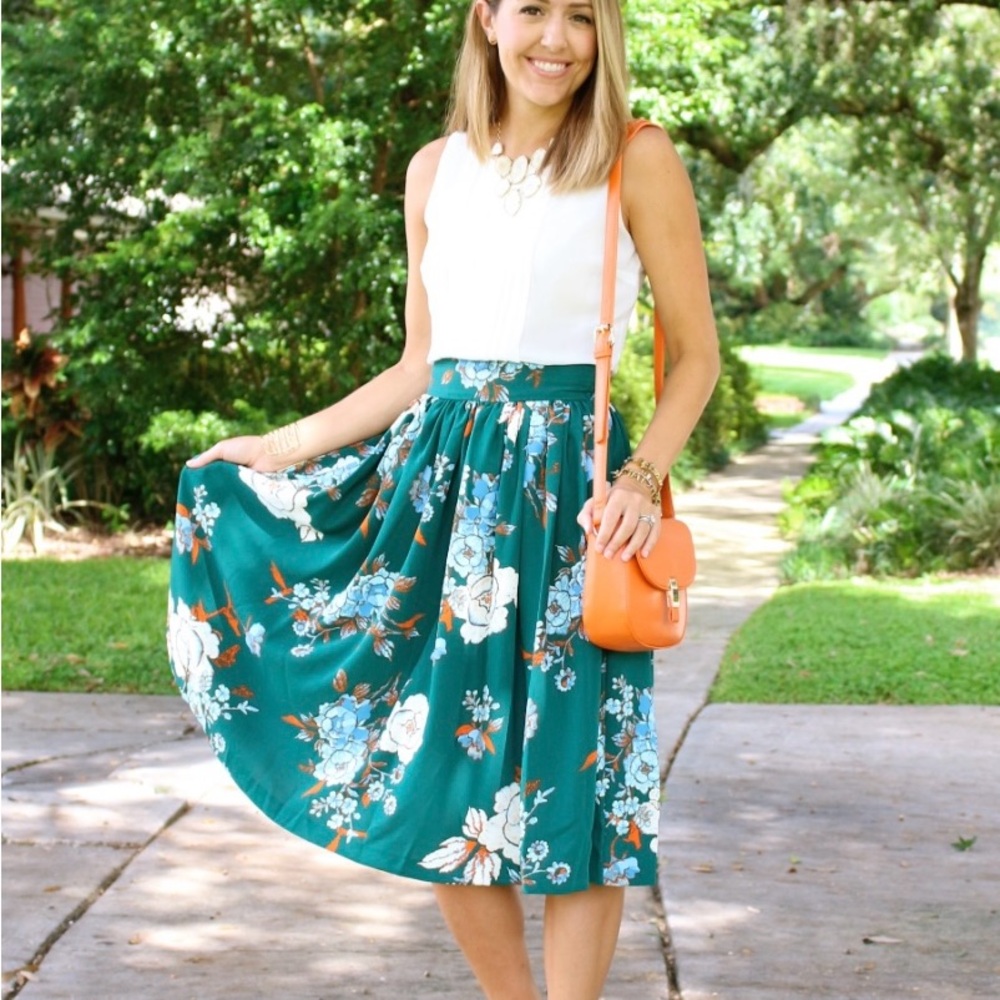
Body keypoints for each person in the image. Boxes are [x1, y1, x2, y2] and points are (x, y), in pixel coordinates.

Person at [166, 1, 719, 996]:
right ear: (487, 19)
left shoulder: (635, 157)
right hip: (442, 502)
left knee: (582, 784)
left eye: (581, 16)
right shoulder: (434, 171)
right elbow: (419, 363)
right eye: (532, 9)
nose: (555, 38)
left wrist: (641, 480)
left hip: (575, 502)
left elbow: (698, 356)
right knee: (448, 783)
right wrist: (278, 447)